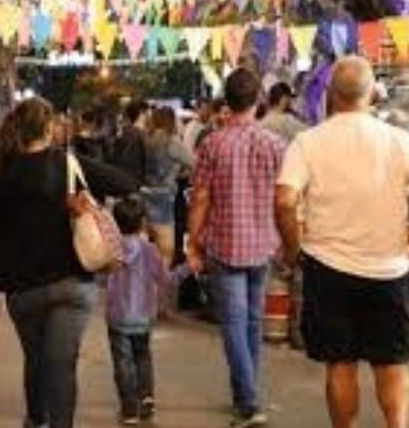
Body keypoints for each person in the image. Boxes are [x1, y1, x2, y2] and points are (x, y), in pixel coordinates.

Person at [274, 56, 409, 428]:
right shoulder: (397, 140)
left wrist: (292, 249)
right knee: (392, 364)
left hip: (327, 269)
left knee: (340, 363)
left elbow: (284, 201)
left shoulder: (308, 142)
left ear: (330, 94)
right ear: (371, 94)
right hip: (388, 270)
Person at [0, 97, 138, 428]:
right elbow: (126, 183)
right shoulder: (68, 164)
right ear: (49, 128)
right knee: (61, 365)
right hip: (72, 283)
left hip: (22, 288)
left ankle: (36, 419)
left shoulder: (0, 174)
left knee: (36, 358)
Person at [186, 68, 286, 428]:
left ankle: (248, 401)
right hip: (263, 245)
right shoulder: (275, 145)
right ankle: (246, 392)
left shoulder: (213, 144)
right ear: (258, 101)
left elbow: (200, 198)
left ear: (227, 102)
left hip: (225, 246)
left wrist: (193, 242)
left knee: (233, 324)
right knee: (253, 322)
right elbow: (285, 199)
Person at [101, 197, 172, 426]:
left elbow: (100, 276)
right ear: (143, 222)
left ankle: (129, 409)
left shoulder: (112, 250)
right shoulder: (149, 250)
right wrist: (186, 269)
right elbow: (165, 279)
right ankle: (146, 397)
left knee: (122, 363)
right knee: (143, 356)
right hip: (143, 316)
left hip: (117, 317)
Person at [142, 106, 193, 269]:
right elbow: (193, 163)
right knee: (165, 249)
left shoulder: (146, 138)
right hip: (163, 196)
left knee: (146, 244)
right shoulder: (172, 141)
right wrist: (180, 171)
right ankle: (161, 282)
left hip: (143, 193)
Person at [108, 100, 149, 183]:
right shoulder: (140, 135)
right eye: (147, 113)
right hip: (134, 179)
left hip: (123, 177)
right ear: (141, 114)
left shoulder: (124, 133)